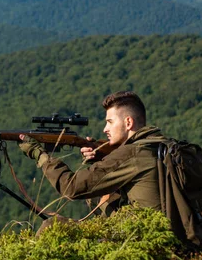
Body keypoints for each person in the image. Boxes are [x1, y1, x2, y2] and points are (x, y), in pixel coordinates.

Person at [19, 90, 167, 219]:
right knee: (98, 196)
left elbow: (72, 187)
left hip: (144, 237)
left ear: (128, 123)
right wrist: (103, 158)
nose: (105, 129)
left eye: (110, 122)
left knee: (50, 226)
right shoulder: (160, 144)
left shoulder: (130, 154)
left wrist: (39, 154)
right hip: (172, 231)